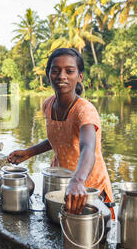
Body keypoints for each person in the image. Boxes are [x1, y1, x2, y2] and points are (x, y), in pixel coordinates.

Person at [8, 48, 114, 215]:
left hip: (90, 189)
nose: (61, 76)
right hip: (61, 183)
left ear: (80, 76)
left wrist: (78, 180)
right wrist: (29, 152)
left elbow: (88, 147)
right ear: (49, 75)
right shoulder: (48, 105)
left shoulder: (85, 110)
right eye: (55, 71)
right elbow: (59, 138)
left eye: (69, 71)